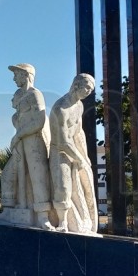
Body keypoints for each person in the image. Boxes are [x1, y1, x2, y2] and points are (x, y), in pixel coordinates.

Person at [0, 63, 53, 230]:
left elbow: (39, 121)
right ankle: (8, 210)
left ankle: (43, 217)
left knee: (38, 177)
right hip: (22, 141)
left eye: (17, 74)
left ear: (26, 75)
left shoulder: (35, 95)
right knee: (7, 175)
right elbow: (19, 118)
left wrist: (19, 134)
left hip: (35, 140)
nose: (14, 78)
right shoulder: (19, 95)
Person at [49, 73, 98, 233]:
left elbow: (78, 133)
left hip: (74, 152)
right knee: (63, 187)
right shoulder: (60, 108)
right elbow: (63, 141)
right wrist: (78, 157)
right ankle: (63, 223)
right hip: (59, 152)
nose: (89, 92)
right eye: (87, 88)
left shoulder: (79, 106)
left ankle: (85, 222)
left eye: (91, 90)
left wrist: (85, 157)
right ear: (77, 85)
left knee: (80, 188)